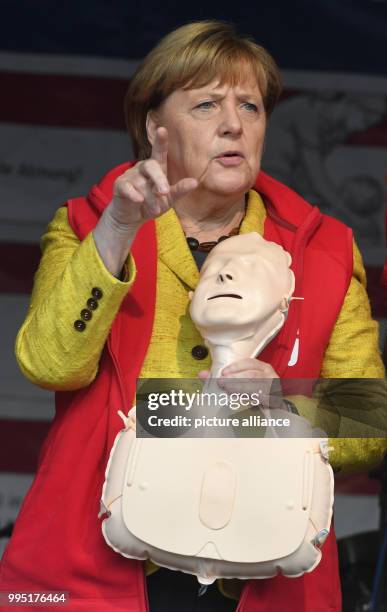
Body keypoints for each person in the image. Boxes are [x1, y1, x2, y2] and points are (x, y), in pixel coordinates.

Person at [0, 20, 386, 612]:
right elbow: (50, 362)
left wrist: (288, 406)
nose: (234, 123)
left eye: (250, 106)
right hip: (94, 571)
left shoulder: (326, 248)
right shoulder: (88, 223)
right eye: (207, 104)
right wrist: (119, 228)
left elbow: (370, 423)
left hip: (264, 575)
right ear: (156, 129)